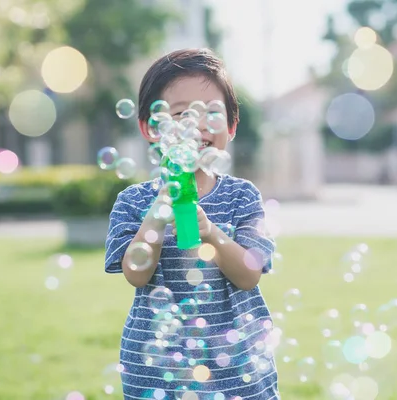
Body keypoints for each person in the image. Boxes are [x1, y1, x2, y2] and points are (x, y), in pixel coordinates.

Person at [105, 48, 280, 399]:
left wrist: (210, 232)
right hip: (157, 375)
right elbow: (135, 272)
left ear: (231, 126)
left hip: (237, 372)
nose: (196, 126)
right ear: (151, 127)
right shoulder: (134, 202)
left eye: (212, 113)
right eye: (181, 113)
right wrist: (159, 209)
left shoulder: (242, 197)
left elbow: (249, 275)